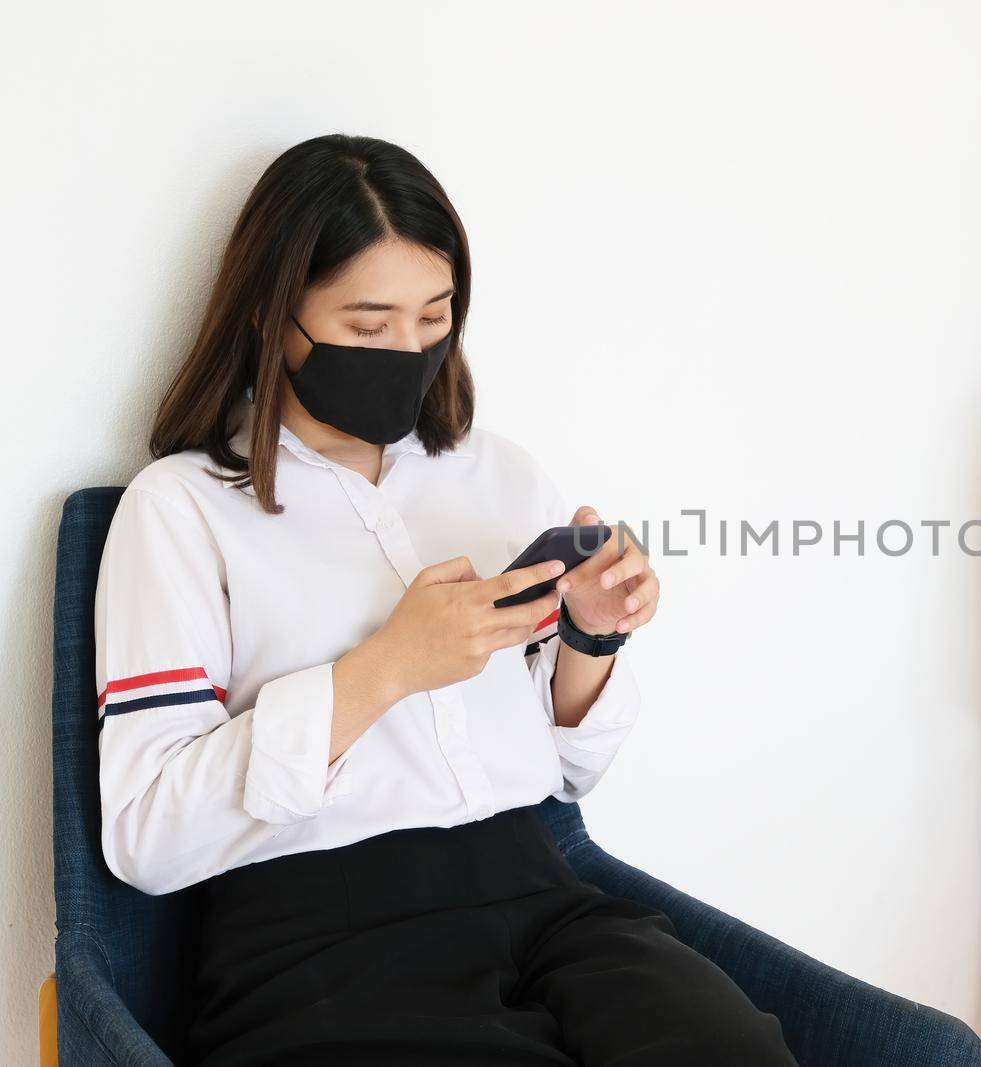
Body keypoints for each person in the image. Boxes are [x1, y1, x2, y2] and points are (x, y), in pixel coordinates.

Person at [94, 132, 797, 1066]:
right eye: (369, 324)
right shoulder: (182, 509)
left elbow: (569, 770)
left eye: (435, 317)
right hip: (319, 941)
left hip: (546, 899)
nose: (410, 350)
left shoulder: (496, 475)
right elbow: (144, 833)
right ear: (273, 318)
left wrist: (591, 636)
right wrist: (384, 669)